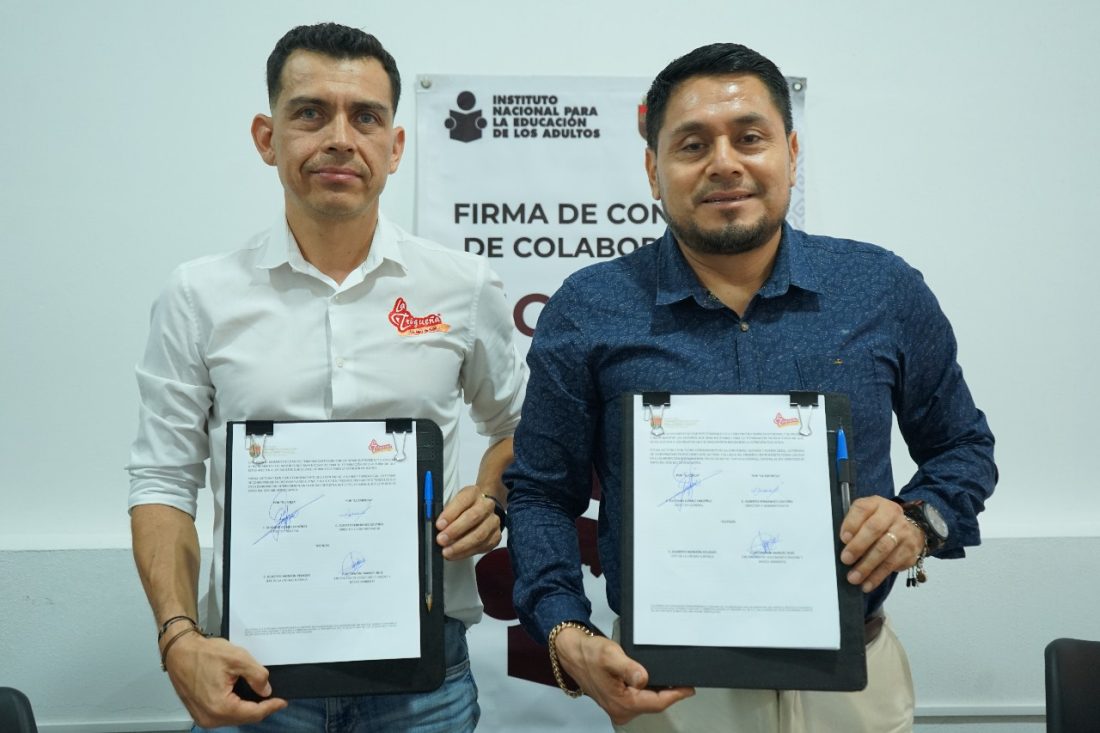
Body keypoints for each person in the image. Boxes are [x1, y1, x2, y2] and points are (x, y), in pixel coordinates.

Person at [506, 42, 996, 732]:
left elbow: (963, 448)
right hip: (669, 693)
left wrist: (918, 521)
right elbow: (539, 492)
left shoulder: (881, 289)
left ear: (791, 153)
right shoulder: (590, 308)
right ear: (652, 170)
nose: (724, 163)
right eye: (692, 145)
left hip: (853, 686)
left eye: (749, 138)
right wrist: (563, 629)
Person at [127, 23, 526, 732]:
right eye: (310, 113)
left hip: (424, 682)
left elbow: (518, 427)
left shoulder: (463, 287)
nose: (340, 138)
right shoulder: (198, 295)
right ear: (267, 137)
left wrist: (490, 496)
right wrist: (178, 637)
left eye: (365, 117)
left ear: (394, 147)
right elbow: (162, 481)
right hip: (252, 674)